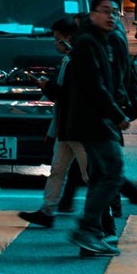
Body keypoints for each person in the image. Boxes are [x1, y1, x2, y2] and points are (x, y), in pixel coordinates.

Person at [63, 0, 137, 258]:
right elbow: (94, 85)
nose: (111, 16)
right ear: (92, 12)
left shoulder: (106, 38)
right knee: (110, 172)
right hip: (92, 119)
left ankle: (94, 232)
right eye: (105, 11)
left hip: (100, 118)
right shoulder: (85, 42)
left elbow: (116, 78)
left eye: (115, 11)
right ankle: (90, 228)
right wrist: (118, 115)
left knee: (105, 173)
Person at [18, 17, 87, 229]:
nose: (55, 43)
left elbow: (68, 94)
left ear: (68, 39)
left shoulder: (76, 61)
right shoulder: (69, 59)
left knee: (89, 173)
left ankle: (105, 212)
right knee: (57, 169)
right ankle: (48, 210)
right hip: (65, 127)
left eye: (57, 39)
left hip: (76, 127)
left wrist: (47, 85)